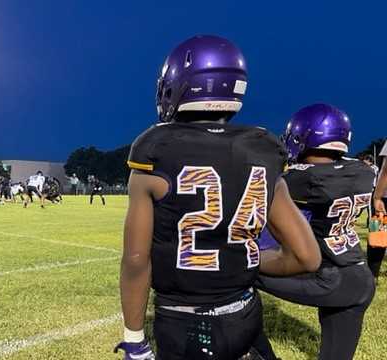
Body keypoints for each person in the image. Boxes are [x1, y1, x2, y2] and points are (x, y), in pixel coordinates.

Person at [115, 35, 321, 360]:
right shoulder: (263, 150)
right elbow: (307, 258)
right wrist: (241, 262)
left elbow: (137, 261)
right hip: (246, 314)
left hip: (185, 324)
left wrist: (135, 340)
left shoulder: (157, 150)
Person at [250, 104, 376, 360]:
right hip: (359, 275)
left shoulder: (302, 180)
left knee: (235, 273)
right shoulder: (362, 171)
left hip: (329, 278)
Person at [371, 140, 387, 280]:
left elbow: (386, 169)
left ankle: (373, 274)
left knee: (378, 236)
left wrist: (377, 197)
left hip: (385, 196)